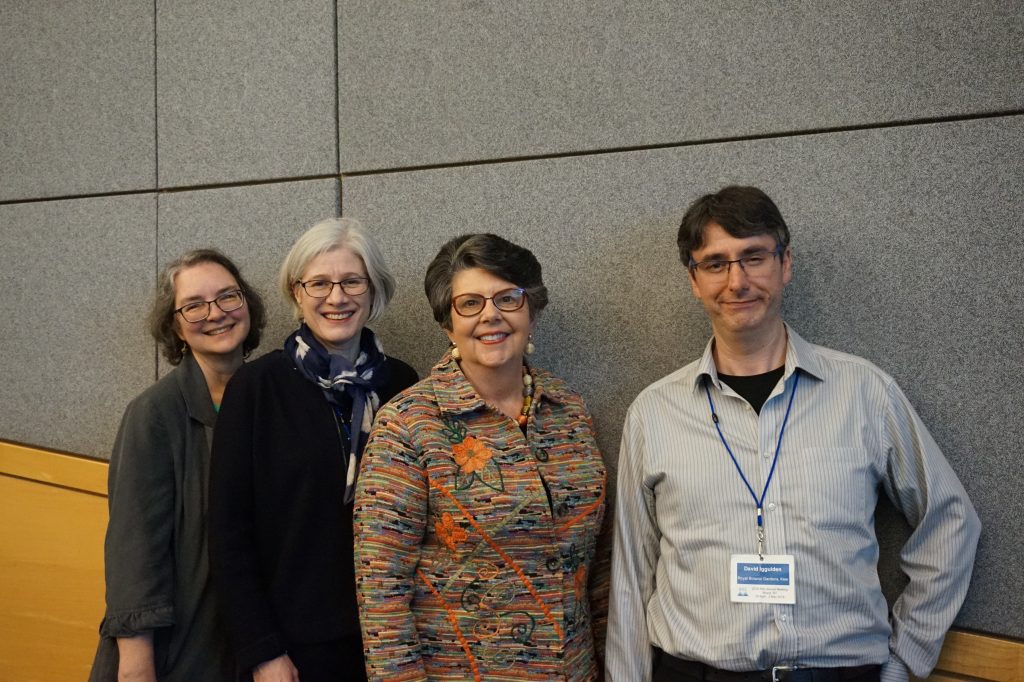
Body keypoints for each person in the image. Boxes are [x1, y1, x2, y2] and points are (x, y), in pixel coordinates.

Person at [605, 185, 981, 682]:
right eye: (715, 263)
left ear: (785, 265)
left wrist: (904, 660)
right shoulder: (654, 412)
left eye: (754, 257)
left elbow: (951, 522)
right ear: (694, 281)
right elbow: (632, 575)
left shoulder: (865, 393)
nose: (737, 281)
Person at [353, 233, 609, 681]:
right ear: (448, 324)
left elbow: (599, 561)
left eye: (508, 298)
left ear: (531, 310)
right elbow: (381, 592)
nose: (491, 314)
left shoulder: (568, 408)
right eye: (469, 303)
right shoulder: (408, 425)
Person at [208, 217, 417, 682]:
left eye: (351, 281)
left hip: (390, 636)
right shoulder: (256, 388)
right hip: (293, 648)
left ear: (373, 290)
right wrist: (262, 650)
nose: (336, 297)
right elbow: (228, 531)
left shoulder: (402, 385)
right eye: (319, 283)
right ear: (297, 293)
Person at [90, 249, 266, 681]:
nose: (216, 314)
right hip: (177, 651)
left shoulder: (270, 398)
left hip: (251, 643)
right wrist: (137, 666)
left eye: (228, 296)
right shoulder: (153, 413)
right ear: (176, 326)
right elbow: (135, 550)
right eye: (194, 305)